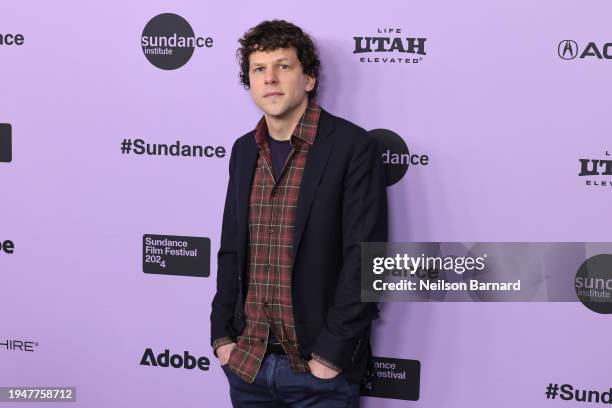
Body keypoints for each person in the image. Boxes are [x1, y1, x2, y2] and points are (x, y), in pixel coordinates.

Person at [210, 19, 388, 407]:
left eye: (283, 66)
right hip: (248, 365)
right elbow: (231, 249)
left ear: (308, 79)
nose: (270, 78)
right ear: (250, 83)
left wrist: (330, 355)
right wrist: (223, 338)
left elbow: (367, 258)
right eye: (259, 69)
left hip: (318, 373)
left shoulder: (352, 147)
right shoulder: (243, 151)